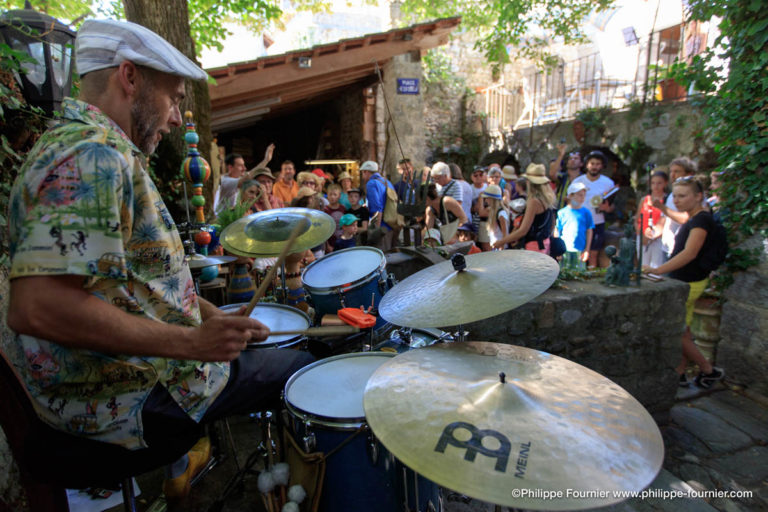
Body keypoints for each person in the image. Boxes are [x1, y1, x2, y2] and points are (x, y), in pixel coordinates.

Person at [4, 19, 313, 500]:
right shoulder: (88, 155)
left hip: (130, 386)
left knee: (267, 353)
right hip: (125, 402)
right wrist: (191, 344)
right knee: (304, 370)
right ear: (129, 77)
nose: (175, 119)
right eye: (172, 99)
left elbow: (124, 284)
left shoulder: (92, 150)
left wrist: (207, 314)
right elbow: (38, 307)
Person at [642, 177, 725, 389]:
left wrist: (657, 270)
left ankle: (708, 370)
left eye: (682, 196)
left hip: (688, 282)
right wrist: (662, 207)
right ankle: (681, 373)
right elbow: (681, 220)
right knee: (683, 330)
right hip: (685, 280)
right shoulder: (696, 217)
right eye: (675, 196)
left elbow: (690, 253)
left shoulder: (701, 220)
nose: (677, 200)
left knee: (678, 330)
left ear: (698, 196)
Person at [493, 164, 556, 253]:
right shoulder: (548, 198)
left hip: (534, 246)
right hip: (545, 242)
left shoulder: (533, 201)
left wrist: (501, 241)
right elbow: (552, 223)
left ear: (529, 182)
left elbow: (523, 230)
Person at [572, 150, 615, 267]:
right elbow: (570, 202)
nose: (594, 167)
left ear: (602, 166)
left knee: (593, 254)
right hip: (579, 222)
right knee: (578, 252)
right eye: (592, 163)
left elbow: (612, 207)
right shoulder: (578, 181)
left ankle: (591, 279)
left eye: (597, 164)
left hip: (597, 222)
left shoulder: (608, 183)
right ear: (586, 165)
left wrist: (607, 208)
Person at [656, 157, 699, 262]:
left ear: (689, 174)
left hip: (681, 249)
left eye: (677, 171)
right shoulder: (672, 194)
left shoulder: (694, 195)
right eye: (671, 171)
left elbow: (686, 219)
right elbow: (666, 218)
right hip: (667, 247)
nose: (672, 175)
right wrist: (654, 230)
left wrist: (661, 207)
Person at [213, 145, 275, 214]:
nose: (244, 168)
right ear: (230, 167)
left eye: (256, 194)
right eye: (240, 166)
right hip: (225, 221)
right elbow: (249, 176)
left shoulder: (239, 180)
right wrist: (265, 161)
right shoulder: (226, 181)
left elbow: (251, 174)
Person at [556, 182, 594, 270]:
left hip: (580, 250)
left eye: (584, 195)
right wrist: (557, 249)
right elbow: (557, 231)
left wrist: (587, 249)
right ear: (570, 196)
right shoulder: (562, 213)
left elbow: (589, 230)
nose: (582, 198)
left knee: (579, 274)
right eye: (580, 195)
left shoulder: (586, 213)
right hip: (564, 249)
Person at [361, 160, 396, 251]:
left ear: (366, 172)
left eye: (362, 173)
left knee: (380, 258)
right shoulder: (386, 182)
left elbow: (377, 209)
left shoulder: (371, 183)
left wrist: (376, 231)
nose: (362, 176)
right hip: (391, 225)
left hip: (382, 228)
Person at [636, 170, 669, 268]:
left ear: (665, 183)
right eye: (653, 183)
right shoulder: (644, 199)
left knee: (656, 265)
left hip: (659, 238)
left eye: (659, 183)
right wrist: (640, 234)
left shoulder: (667, 199)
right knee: (643, 265)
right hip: (643, 236)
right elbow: (637, 219)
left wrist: (654, 235)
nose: (656, 186)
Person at [476, 184, 509, 251]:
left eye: (487, 198)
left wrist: (501, 248)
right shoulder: (492, 211)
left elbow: (505, 235)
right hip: (495, 247)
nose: (485, 201)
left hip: (501, 249)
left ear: (492, 199)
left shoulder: (501, 214)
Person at [324, 183, 346, 251]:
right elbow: (324, 230)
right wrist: (327, 246)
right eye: (330, 194)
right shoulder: (325, 210)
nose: (332, 197)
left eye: (335, 195)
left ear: (339, 196)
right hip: (331, 243)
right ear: (327, 195)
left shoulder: (343, 208)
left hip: (342, 241)